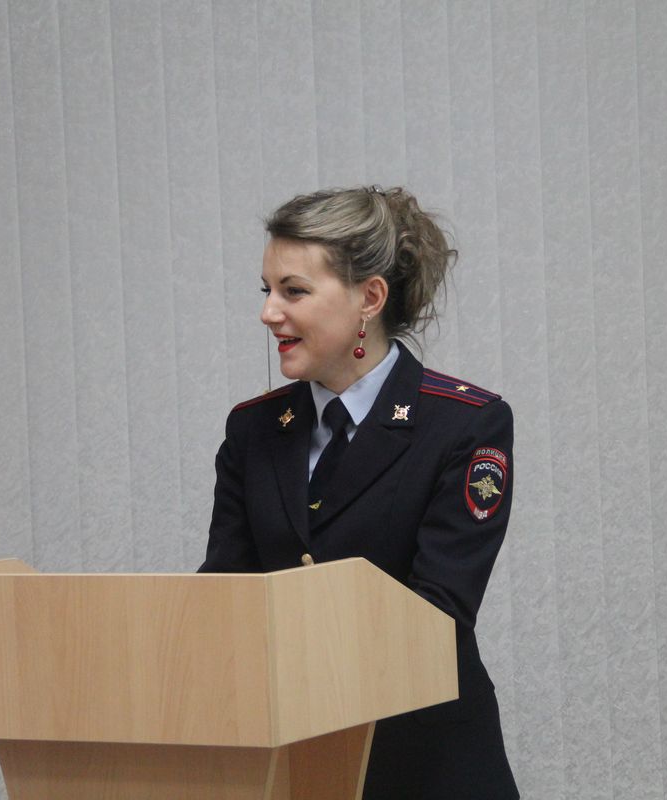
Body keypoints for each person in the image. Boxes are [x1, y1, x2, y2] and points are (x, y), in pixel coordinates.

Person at [200, 186, 519, 799]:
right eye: (266, 290)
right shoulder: (253, 430)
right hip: (293, 763)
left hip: (424, 763)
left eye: (293, 291)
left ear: (369, 298)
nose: (269, 312)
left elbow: (436, 616)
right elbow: (225, 598)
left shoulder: (464, 425)